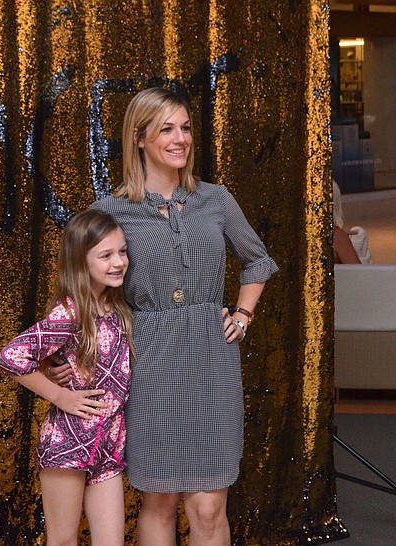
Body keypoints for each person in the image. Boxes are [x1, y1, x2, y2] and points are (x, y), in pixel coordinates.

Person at [50, 87, 278, 545]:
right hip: (149, 361)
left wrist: (244, 314)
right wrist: (65, 353)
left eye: (186, 128)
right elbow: (83, 288)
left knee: (210, 506)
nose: (180, 139)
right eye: (166, 129)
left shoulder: (215, 199)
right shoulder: (112, 211)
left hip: (214, 361)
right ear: (138, 138)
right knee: (159, 500)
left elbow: (258, 261)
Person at [0, 210, 135, 546]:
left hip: (108, 445)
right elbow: (11, 356)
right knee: (63, 540)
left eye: (122, 251)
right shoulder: (71, 311)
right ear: (80, 261)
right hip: (67, 444)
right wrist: (61, 397)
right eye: (105, 255)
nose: (118, 262)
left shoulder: (119, 308)